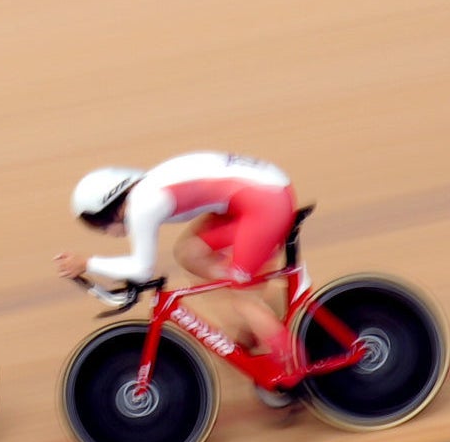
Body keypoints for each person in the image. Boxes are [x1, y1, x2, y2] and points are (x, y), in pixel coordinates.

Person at [57, 152, 300, 379]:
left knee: (243, 299)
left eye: (97, 223)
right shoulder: (145, 189)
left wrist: (86, 263)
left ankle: (294, 372)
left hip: (265, 202)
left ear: (111, 206)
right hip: (260, 194)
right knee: (190, 253)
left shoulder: (143, 204)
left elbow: (142, 269)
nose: (103, 231)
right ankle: (256, 312)